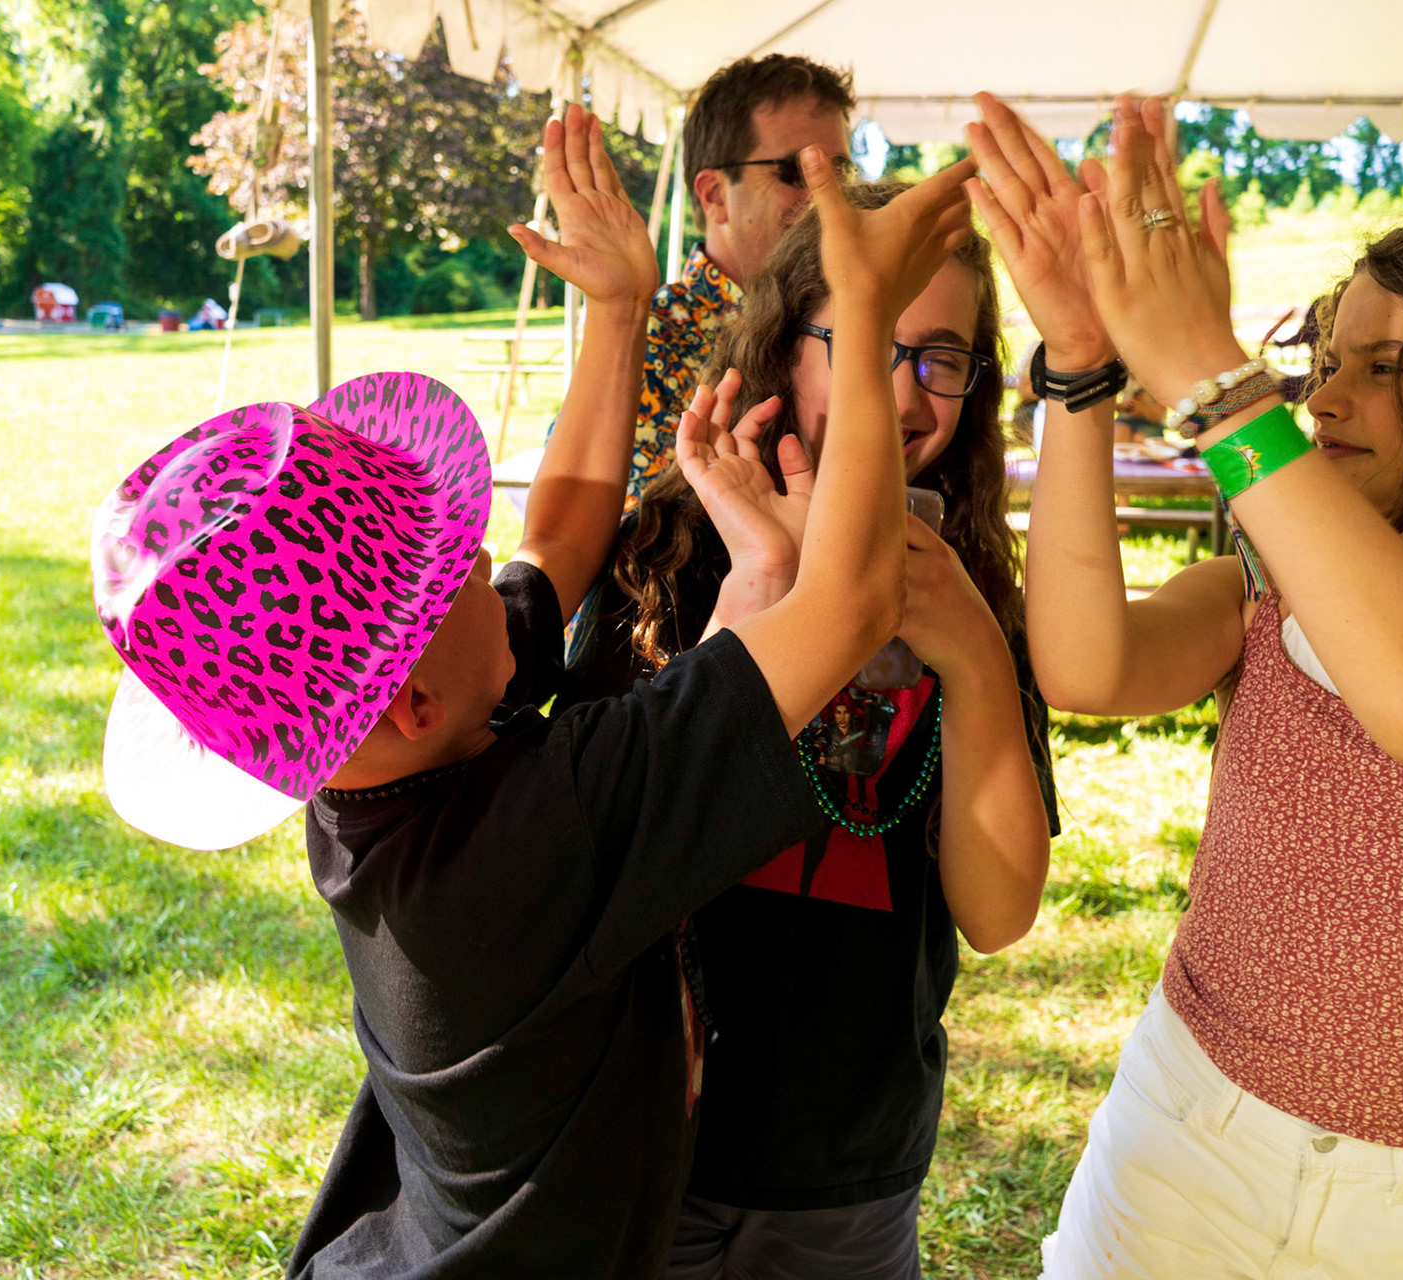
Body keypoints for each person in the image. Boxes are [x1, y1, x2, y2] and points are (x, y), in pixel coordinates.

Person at [91, 106, 978, 1279]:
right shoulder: (525, 843)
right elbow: (855, 604)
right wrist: (859, 330)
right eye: (454, 563)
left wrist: (618, 313)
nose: (491, 563)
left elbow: (560, 530)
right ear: (404, 698)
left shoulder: (408, 743)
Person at [966, 91, 1403, 1280]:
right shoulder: (1270, 592)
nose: (1322, 399)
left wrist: (1217, 382)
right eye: (1322, 363)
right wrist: (1081, 373)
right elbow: (1089, 667)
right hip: (1180, 1129)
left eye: (1383, 368)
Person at [558, 179, 1058, 1278]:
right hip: (647, 1144)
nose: (910, 389)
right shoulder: (665, 559)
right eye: (871, 336)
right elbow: (598, 853)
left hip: (849, 1168)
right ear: (787, 347)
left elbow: (999, 909)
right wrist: (769, 590)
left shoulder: (972, 593)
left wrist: (974, 657)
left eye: (943, 356)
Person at [562, 53, 856, 502]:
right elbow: (611, 542)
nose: (828, 194)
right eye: (798, 171)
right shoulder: (654, 339)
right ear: (715, 195)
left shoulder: (854, 317)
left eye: (839, 172)